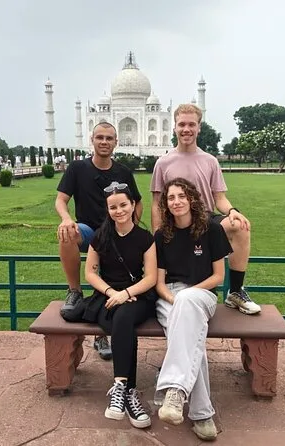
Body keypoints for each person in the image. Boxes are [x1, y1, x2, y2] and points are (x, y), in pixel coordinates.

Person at [150, 103, 260, 315]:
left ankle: (235, 291)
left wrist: (232, 211)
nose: (186, 129)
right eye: (182, 124)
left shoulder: (209, 161)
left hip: (205, 222)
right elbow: (157, 202)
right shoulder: (163, 163)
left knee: (240, 226)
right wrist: (158, 233)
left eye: (191, 124)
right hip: (176, 223)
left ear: (199, 127)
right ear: (174, 127)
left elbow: (219, 198)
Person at [55, 122, 143, 360]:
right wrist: (66, 219)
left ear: (116, 142)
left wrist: (131, 228)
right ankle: (74, 291)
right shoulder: (77, 168)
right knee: (67, 233)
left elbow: (137, 203)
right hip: (88, 231)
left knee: (112, 283)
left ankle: (101, 334)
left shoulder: (123, 172)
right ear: (92, 140)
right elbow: (61, 200)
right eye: (100, 137)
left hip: (115, 232)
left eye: (109, 138)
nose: (104, 142)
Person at [153, 177, 232, 441]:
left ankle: (174, 390)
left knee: (188, 320)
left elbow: (218, 276)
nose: (176, 202)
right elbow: (159, 283)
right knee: (191, 339)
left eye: (181, 196)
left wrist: (187, 296)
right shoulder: (162, 235)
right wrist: (175, 299)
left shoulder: (212, 229)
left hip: (202, 294)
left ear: (191, 199)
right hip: (170, 296)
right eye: (170, 198)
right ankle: (202, 414)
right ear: (166, 204)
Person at [78, 181, 157, 428]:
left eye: (123, 205)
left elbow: (151, 277)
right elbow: (90, 273)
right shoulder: (101, 236)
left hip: (137, 296)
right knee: (123, 322)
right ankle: (128, 392)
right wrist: (113, 292)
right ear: (108, 210)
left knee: (123, 317)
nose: (119, 211)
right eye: (113, 207)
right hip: (107, 295)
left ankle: (119, 386)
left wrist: (126, 293)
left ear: (133, 205)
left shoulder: (145, 238)